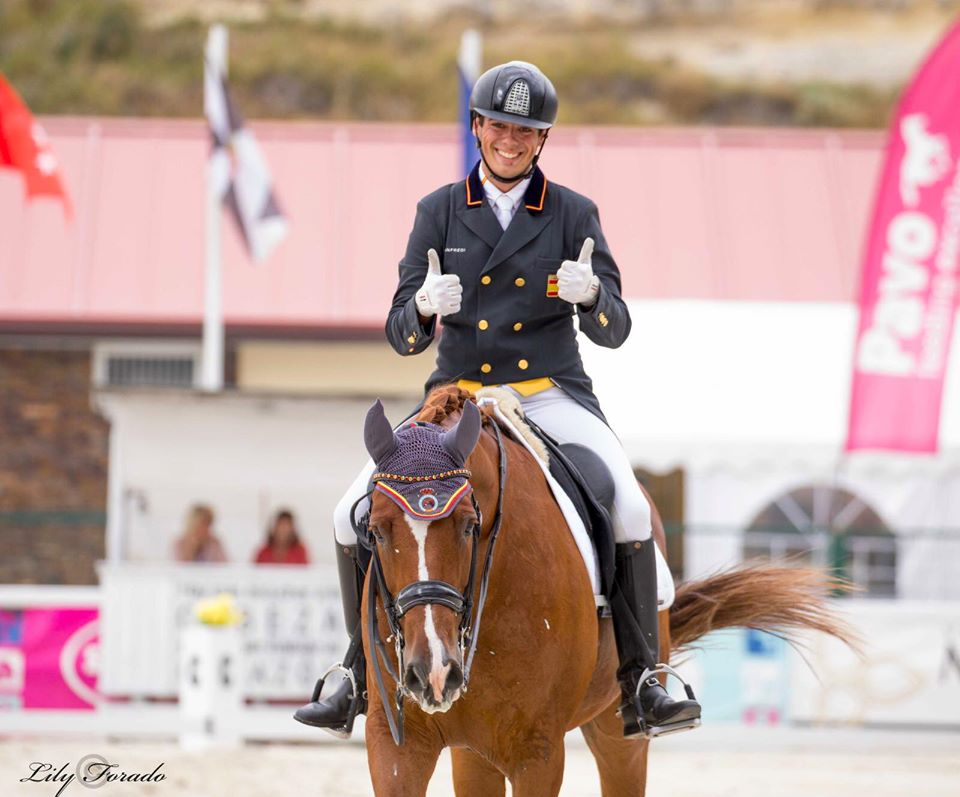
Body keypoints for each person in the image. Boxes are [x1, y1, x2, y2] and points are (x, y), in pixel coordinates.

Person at [295, 61, 701, 739]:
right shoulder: (439, 210)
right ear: (478, 127)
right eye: (499, 127)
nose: (510, 141)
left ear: (541, 139)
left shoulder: (573, 213)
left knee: (628, 503)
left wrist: (594, 296)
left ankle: (642, 679)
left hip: (550, 393)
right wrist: (423, 308)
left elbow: (618, 329)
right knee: (349, 510)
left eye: (526, 131)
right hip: (457, 402)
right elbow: (400, 331)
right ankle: (355, 673)